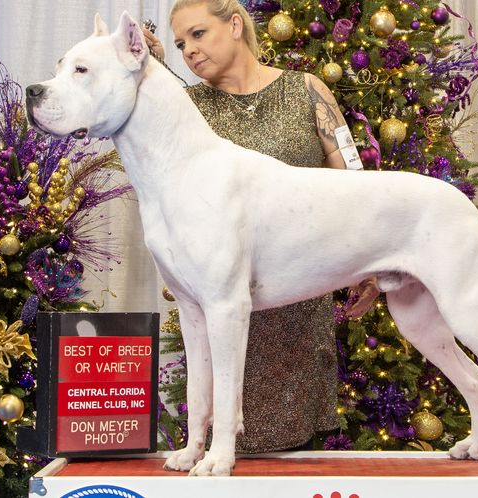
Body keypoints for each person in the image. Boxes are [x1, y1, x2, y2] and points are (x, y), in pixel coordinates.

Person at [145, 0, 379, 453]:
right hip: (218, 318)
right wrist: (145, 63)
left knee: (291, 461)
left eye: (197, 34)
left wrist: (369, 262)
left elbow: (354, 182)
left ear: (235, 25)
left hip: (299, 316)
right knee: (220, 459)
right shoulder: (187, 108)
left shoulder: (306, 90)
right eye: (179, 43)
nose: (188, 50)